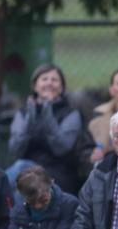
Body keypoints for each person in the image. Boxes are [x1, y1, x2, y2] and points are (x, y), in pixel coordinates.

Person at [7, 63, 84, 194]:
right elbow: (15, 150)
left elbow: (61, 148)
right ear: (35, 86)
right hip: (26, 170)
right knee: (20, 173)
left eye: (54, 80)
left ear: (62, 88)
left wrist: (47, 113)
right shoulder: (24, 113)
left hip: (59, 174)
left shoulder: (71, 114)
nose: (49, 83)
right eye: (44, 79)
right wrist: (29, 120)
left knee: (22, 181)